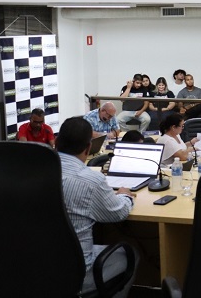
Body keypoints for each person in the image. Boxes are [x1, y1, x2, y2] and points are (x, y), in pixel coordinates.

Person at [56, 116, 137, 298]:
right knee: (131, 253)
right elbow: (119, 213)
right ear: (88, 148)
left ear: (56, 142)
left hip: (32, 268)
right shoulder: (91, 180)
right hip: (76, 274)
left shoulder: (32, 174)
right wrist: (125, 195)